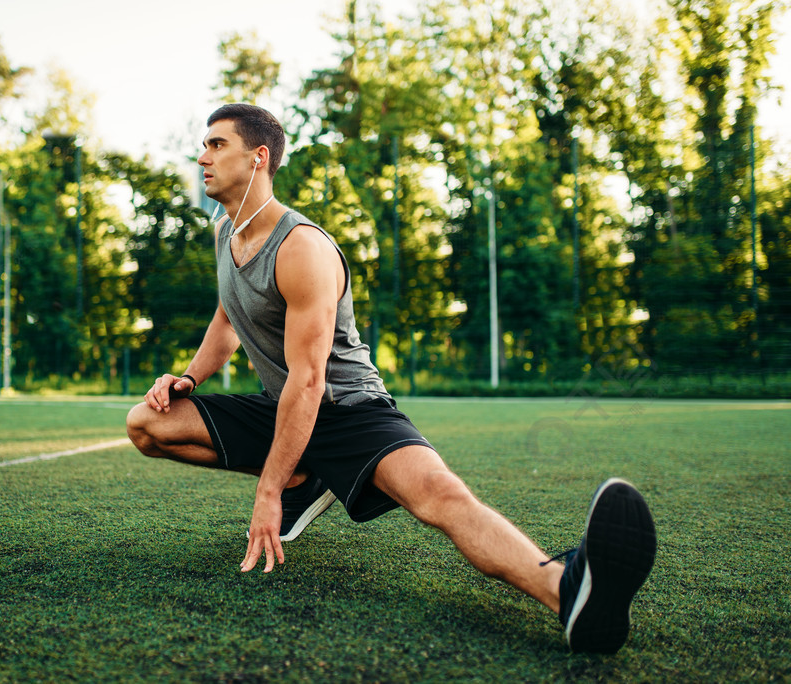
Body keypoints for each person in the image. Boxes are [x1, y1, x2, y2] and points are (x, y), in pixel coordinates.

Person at [126, 103, 656, 654]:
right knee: (147, 424)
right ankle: (310, 475)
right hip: (284, 406)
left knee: (440, 496)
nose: (201, 157)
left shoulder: (301, 247)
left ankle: (568, 591)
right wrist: (189, 376)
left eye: (216, 145)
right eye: (204, 145)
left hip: (350, 409)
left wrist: (268, 491)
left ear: (258, 158)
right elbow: (227, 316)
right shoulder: (225, 233)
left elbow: (310, 382)